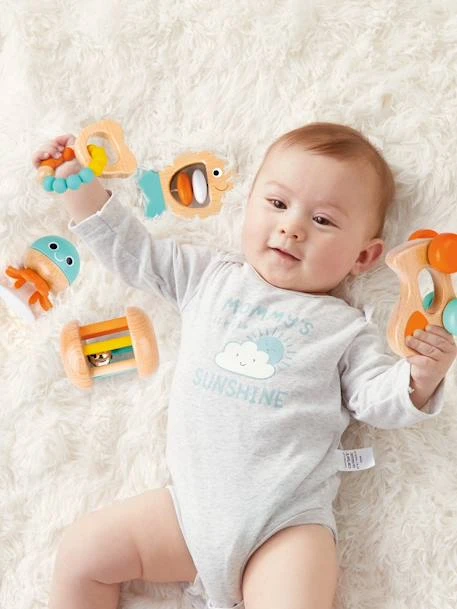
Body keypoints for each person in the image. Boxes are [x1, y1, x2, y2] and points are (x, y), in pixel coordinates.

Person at [33, 123, 456, 609]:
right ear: (250, 204)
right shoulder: (209, 277)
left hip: (285, 525)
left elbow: (374, 399)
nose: (292, 227)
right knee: (83, 551)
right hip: (187, 513)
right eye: (277, 203)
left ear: (364, 255)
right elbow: (135, 255)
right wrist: (79, 189)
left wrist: (420, 376)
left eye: (322, 220)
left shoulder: (345, 328)